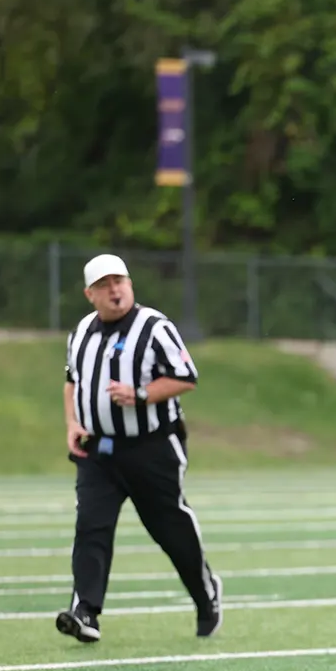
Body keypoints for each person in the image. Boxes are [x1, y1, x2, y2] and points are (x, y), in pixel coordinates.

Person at [57, 253, 222, 643]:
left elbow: (186, 378)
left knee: (170, 529)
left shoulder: (154, 327)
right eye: (104, 284)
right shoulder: (82, 331)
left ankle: (206, 593)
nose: (114, 289)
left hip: (150, 449)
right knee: (91, 526)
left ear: (130, 284)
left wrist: (141, 393)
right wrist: (72, 423)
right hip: (98, 451)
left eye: (120, 281)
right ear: (89, 294)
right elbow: (71, 380)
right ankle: (86, 612)